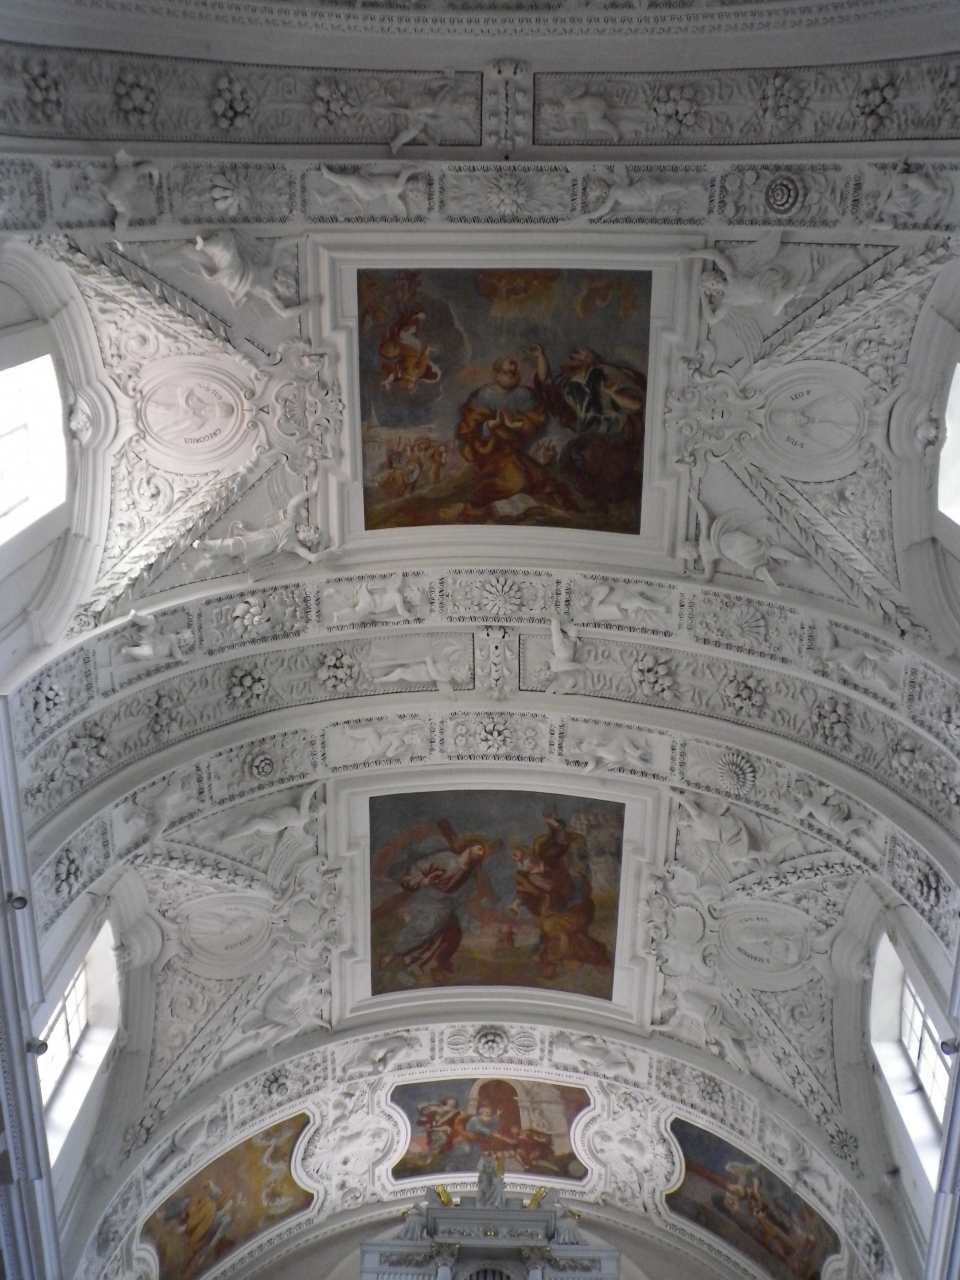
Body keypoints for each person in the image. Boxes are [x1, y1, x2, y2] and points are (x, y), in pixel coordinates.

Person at [455, 357, 579, 522]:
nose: (510, 375)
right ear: (497, 373)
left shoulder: (524, 395)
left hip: (512, 452)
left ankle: (566, 511)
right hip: (489, 453)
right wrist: (493, 424)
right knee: (516, 481)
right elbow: (470, 428)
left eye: (513, 373)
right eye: (506, 372)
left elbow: (536, 420)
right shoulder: (484, 395)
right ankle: (474, 507)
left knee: (540, 478)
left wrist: (515, 424)